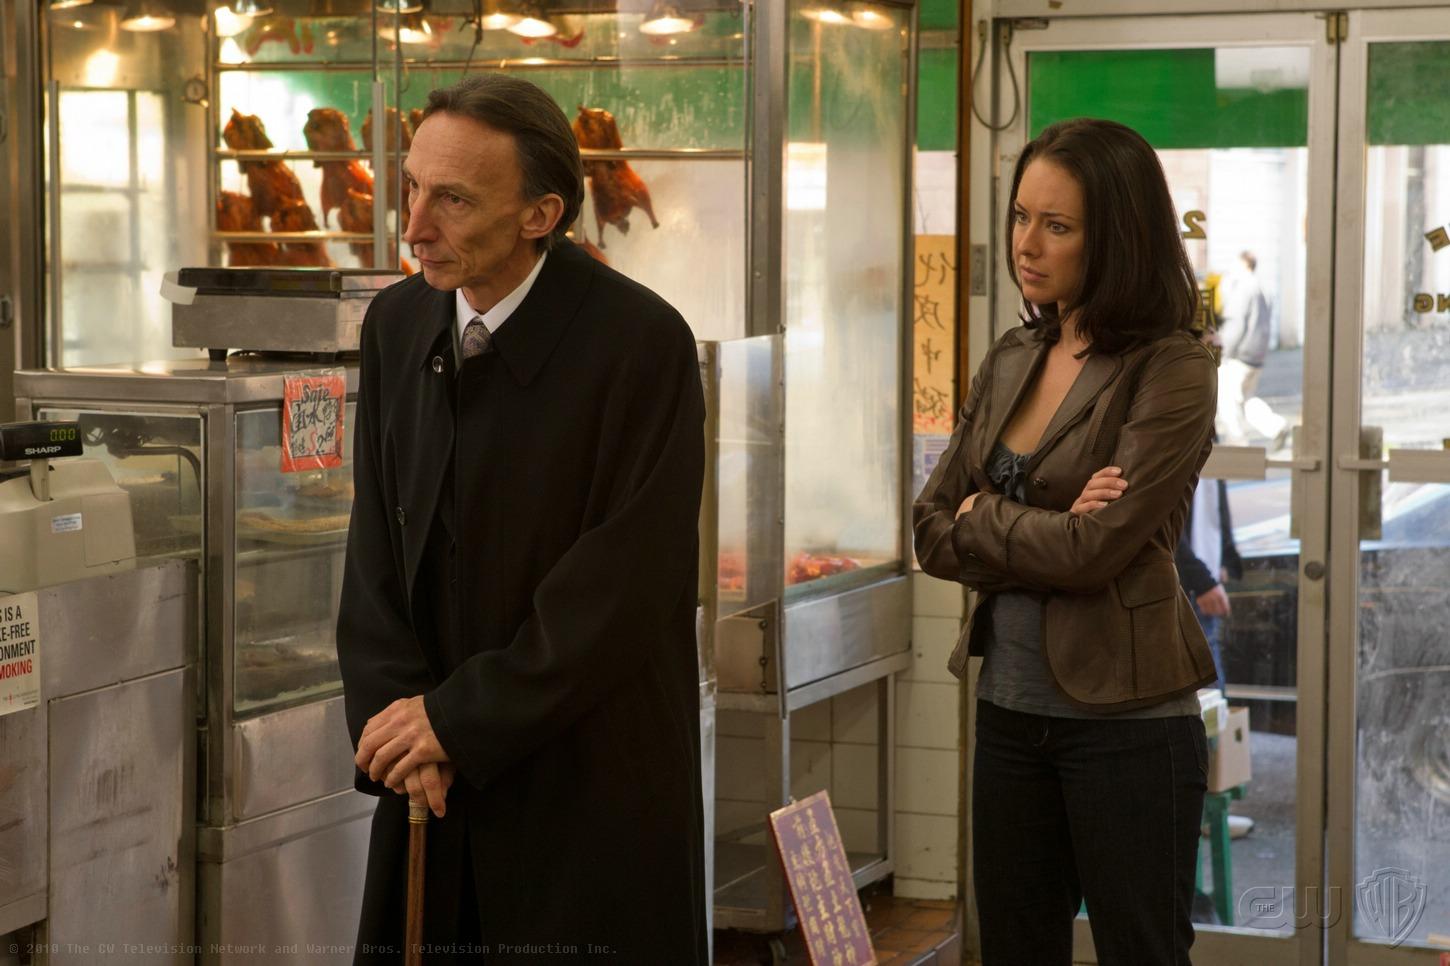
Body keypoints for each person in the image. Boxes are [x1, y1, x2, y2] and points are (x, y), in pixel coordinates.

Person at [337, 74, 707, 964]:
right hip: (430, 777)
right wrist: (401, 726)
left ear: (541, 215)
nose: (413, 227)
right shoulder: (396, 325)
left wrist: (461, 720)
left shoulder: (641, 344)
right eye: (412, 187)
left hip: (585, 777)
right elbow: (376, 551)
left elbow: (624, 585)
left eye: (453, 200)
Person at [913, 118, 1219, 964]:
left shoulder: (1174, 365)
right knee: (1014, 949)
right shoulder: (1014, 355)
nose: (1027, 244)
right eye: (1021, 217)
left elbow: (1096, 552)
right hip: (1008, 712)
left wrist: (985, 515)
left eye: (1057, 225)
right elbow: (930, 528)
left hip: (1128, 722)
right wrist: (1038, 525)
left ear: (1116, 236)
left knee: (1141, 951)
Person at [1215, 251, 1288, 449]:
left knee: (1227, 400)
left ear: (1244, 265)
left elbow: (1236, 323)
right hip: (1256, 355)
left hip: (1239, 355)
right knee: (1246, 398)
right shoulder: (1262, 288)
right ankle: (1276, 426)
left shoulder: (1243, 288)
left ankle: (1237, 443)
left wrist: (1222, 352)